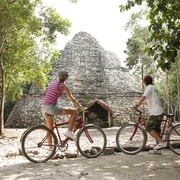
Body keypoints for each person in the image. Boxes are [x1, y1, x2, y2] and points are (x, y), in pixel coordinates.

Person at [42, 71, 86, 141]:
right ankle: (69, 132)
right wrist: (81, 107)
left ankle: (51, 150)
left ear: (58, 77)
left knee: (50, 130)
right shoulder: (63, 86)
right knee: (74, 111)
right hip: (51, 108)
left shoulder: (52, 84)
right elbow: (73, 99)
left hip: (44, 108)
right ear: (66, 78)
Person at [134, 75, 167, 153]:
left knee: (148, 128)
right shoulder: (153, 88)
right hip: (159, 111)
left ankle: (162, 143)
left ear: (145, 82)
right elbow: (148, 101)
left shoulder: (149, 87)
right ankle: (158, 150)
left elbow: (143, 97)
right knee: (156, 131)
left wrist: (136, 105)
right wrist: (140, 103)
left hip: (156, 112)